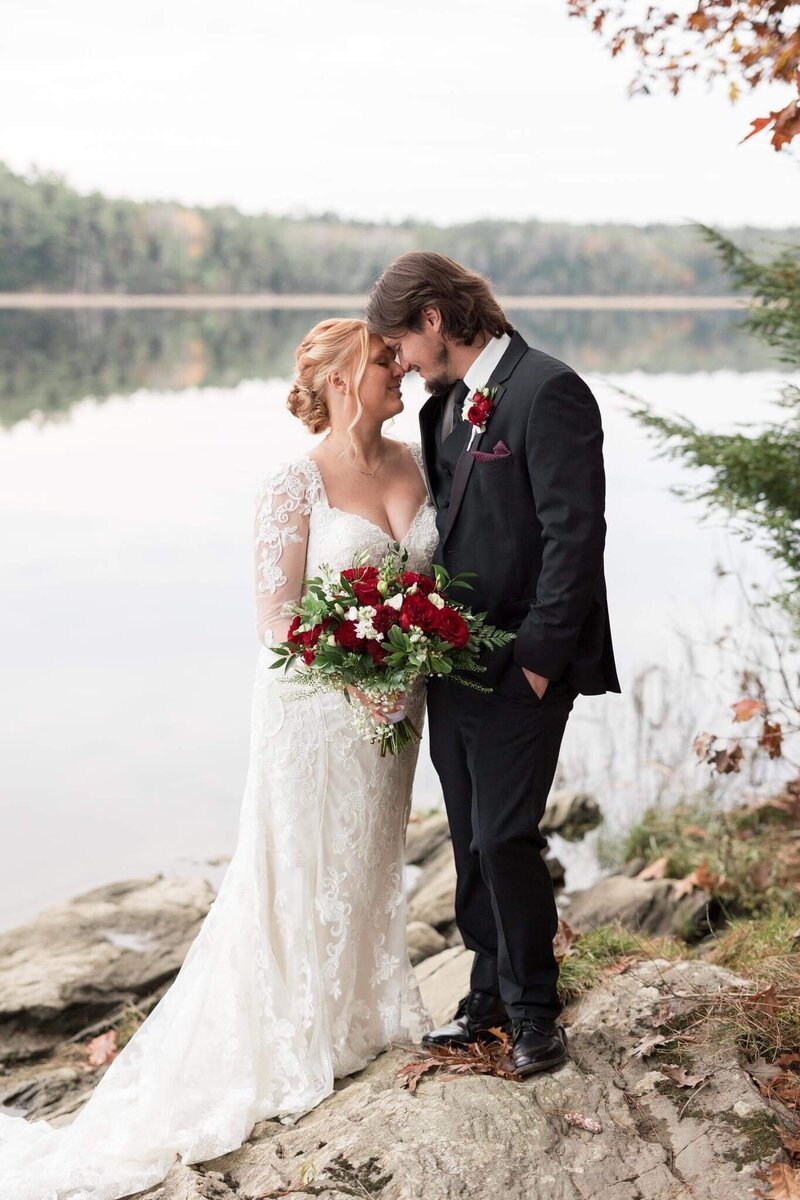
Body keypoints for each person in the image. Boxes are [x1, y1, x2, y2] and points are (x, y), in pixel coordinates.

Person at [0, 318, 436, 1200]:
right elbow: (278, 620)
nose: (402, 370)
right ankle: (291, 1036)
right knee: (298, 866)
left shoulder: (416, 462)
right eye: (386, 360)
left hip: (398, 705)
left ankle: (357, 1016)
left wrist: (409, 668)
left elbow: (431, 585)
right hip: (317, 709)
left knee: (368, 858)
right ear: (346, 377)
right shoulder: (293, 481)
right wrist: (359, 680)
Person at [366, 253, 621, 1078]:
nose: (400, 360)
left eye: (402, 341)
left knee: (509, 835)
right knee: (472, 836)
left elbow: (575, 538)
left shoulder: (552, 391)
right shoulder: (444, 410)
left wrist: (540, 663)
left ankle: (535, 1010)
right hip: (452, 664)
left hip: (525, 660)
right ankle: (484, 996)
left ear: (434, 318)